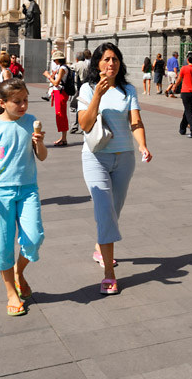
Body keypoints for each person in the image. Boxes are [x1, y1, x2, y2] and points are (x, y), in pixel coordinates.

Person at [77, 43, 152, 295]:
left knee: (114, 209)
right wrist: (97, 95)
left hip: (124, 158)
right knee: (105, 210)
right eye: (106, 59)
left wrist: (142, 145)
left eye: (115, 59)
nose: (111, 64)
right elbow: (85, 125)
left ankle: (101, 247)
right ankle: (109, 272)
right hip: (95, 158)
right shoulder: (87, 88)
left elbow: (136, 121)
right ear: (97, 63)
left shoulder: (127, 89)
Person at [0, 78, 47, 316]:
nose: (23, 105)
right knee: (4, 246)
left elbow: (42, 157)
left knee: (34, 238)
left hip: (28, 189)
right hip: (0, 194)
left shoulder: (30, 122)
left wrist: (40, 142)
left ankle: (18, 272)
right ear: (3, 103)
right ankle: (11, 293)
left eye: (25, 100)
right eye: (17, 102)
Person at [42, 51, 70, 146]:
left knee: (61, 115)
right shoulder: (62, 67)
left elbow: (56, 83)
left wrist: (48, 76)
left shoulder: (62, 68)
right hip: (60, 92)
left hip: (60, 93)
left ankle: (64, 138)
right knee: (60, 114)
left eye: (54, 59)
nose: (54, 61)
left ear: (58, 59)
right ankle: (63, 137)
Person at [173, 52, 192, 138]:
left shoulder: (184, 68)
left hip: (185, 92)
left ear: (187, 59)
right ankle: (182, 128)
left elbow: (179, 80)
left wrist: (174, 86)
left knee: (188, 111)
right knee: (187, 109)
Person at [70, 50, 92, 134]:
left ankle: (74, 126)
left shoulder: (74, 66)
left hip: (77, 89)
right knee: (85, 107)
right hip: (87, 88)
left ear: (76, 59)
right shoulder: (88, 65)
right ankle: (84, 126)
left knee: (73, 107)